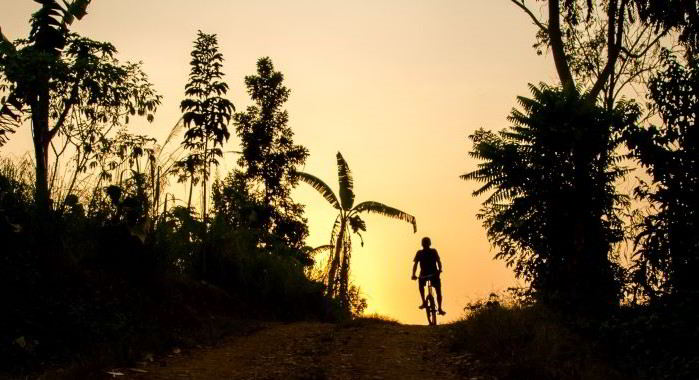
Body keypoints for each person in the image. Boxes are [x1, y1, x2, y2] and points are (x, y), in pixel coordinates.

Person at [411, 237, 445, 315]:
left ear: (429, 244)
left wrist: (440, 269)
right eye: (424, 243)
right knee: (421, 285)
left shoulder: (433, 251)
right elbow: (415, 264)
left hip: (434, 273)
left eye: (426, 243)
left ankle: (439, 308)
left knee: (438, 291)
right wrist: (413, 274)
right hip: (424, 274)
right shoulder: (419, 253)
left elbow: (438, 261)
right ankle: (424, 302)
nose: (425, 244)